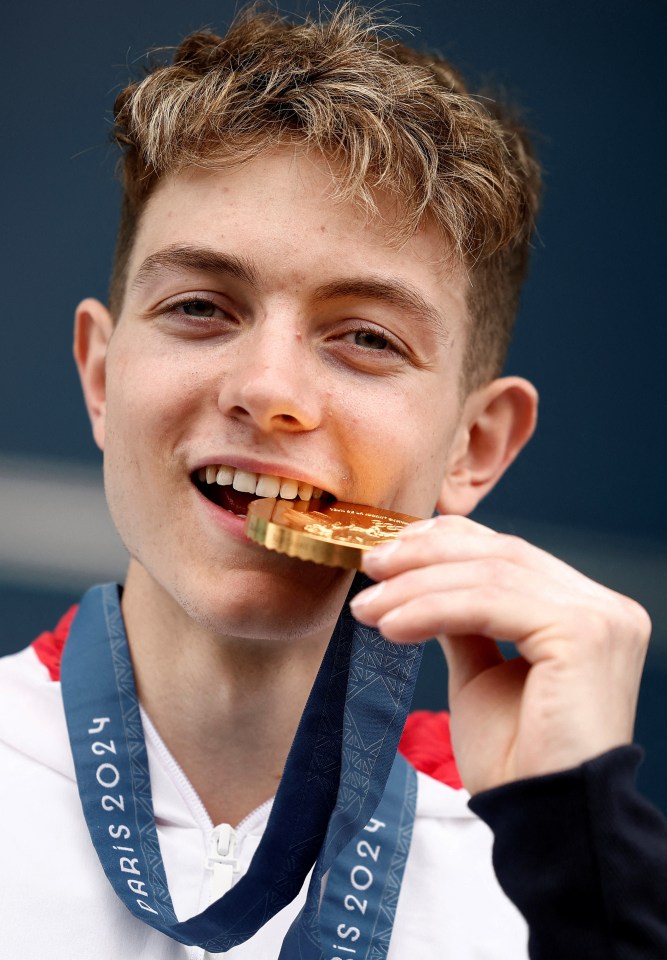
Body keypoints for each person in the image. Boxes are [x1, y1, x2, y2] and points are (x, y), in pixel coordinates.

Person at [0, 5, 665, 958]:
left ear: (476, 446)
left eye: (366, 338)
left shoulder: (562, 880)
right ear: (103, 377)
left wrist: (579, 873)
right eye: (200, 306)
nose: (268, 389)